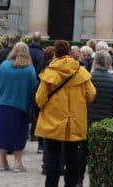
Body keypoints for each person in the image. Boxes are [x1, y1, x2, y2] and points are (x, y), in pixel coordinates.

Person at [35, 39, 96, 187]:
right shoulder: (81, 71)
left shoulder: (50, 72)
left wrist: (46, 107)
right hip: (74, 121)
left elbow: (39, 98)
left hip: (52, 120)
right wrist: (79, 106)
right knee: (72, 156)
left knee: (53, 157)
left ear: (55, 53)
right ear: (69, 52)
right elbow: (91, 94)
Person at [78, 51, 113, 184]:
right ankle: (98, 180)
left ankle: (79, 179)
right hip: (106, 120)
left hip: (87, 119)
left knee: (83, 150)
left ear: (95, 62)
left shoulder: (88, 77)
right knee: (101, 152)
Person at [0, 41, 38, 173]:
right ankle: (17, 164)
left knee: (2, 132)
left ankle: (2, 162)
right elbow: (33, 89)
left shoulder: (4, 65)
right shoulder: (29, 68)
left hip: (3, 104)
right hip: (22, 106)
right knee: (19, 133)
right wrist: (32, 107)